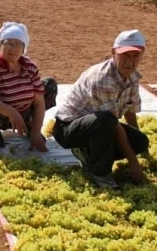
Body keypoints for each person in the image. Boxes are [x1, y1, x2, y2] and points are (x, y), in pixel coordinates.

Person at [52, 29, 150, 189]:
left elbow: (130, 110)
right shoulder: (102, 79)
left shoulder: (132, 77)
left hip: (96, 125)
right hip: (68, 129)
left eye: (135, 56)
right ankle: (100, 172)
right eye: (125, 55)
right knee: (106, 121)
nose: (130, 61)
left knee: (140, 142)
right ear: (114, 53)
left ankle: (88, 151)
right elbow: (113, 123)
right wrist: (133, 160)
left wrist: (139, 146)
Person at [0, 22, 57, 151]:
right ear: (1, 45)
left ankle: (29, 125)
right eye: (8, 43)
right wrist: (11, 112)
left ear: (23, 48)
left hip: (24, 111)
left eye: (17, 44)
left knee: (50, 84)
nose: (13, 48)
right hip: (1, 114)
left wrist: (35, 133)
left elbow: (39, 102)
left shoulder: (30, 66)